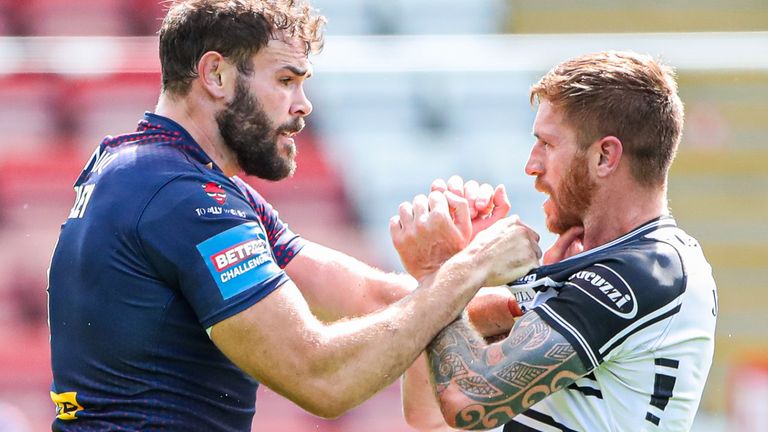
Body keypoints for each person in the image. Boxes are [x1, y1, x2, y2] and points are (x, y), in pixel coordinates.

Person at [46, 1, 543, 430]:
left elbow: (369, 297)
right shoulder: (184, 197)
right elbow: (322, 377)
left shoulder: (157, 171)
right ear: (215, 74)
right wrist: (471, 265)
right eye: (285, 80)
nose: (304, 105)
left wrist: (530, 304)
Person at [398, 51, 718, 431]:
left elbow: (469, 401)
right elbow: (427, 416)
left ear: (604, 156)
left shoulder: (649, 270)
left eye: (547, 144)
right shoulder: (599, 267)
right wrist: (464, 275)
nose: (531, 165)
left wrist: (445, 269)